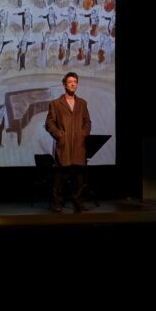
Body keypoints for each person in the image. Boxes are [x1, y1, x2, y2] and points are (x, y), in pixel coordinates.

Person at [45, 72, 92, 213]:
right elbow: (49, 122)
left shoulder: (82, 103)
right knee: (59, 178)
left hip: (79, 145)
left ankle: (78, 204)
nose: (73, 84)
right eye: (70, 81)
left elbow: (87, 122)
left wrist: (83, 134)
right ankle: (57, 204)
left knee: (79, 178)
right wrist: (59, 135)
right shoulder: (56, 104)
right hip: (63, 145)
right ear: (64, 84)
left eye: (75, 81)